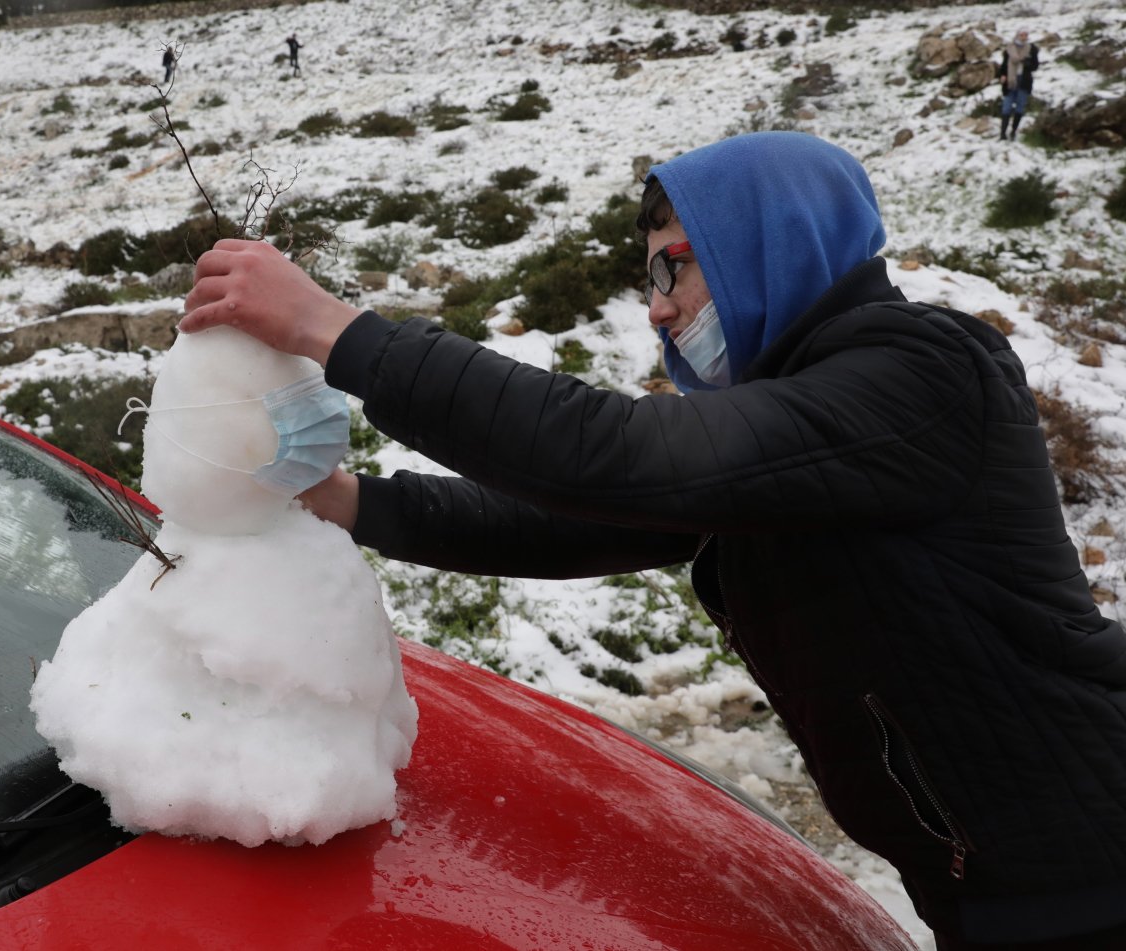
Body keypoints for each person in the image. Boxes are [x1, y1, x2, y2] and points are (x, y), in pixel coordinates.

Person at [180, 131, 1126, 950]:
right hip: (995, 880)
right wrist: (354, 502)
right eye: (650, 276)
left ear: (772, 244)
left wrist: (335, 332)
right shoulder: (797, 424)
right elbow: (580, 515)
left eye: (675, 264)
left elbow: (618, 456)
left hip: (1089, 869)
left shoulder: (920, 374)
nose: (658, 306)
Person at [996, 29, 1039, 142]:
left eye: (1026, 35)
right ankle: (1002, 133)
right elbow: (1004, 65)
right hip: (1010, 80)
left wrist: (1027, 63)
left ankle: (1013, 131)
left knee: (1019, 107)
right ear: (1017, 35)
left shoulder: (1031, 49)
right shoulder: (1009, 49)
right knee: (1007, 106)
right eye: (1022, 35)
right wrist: (1002, 75)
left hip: (1024, 81)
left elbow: (1035, 66)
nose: (1024, 37)